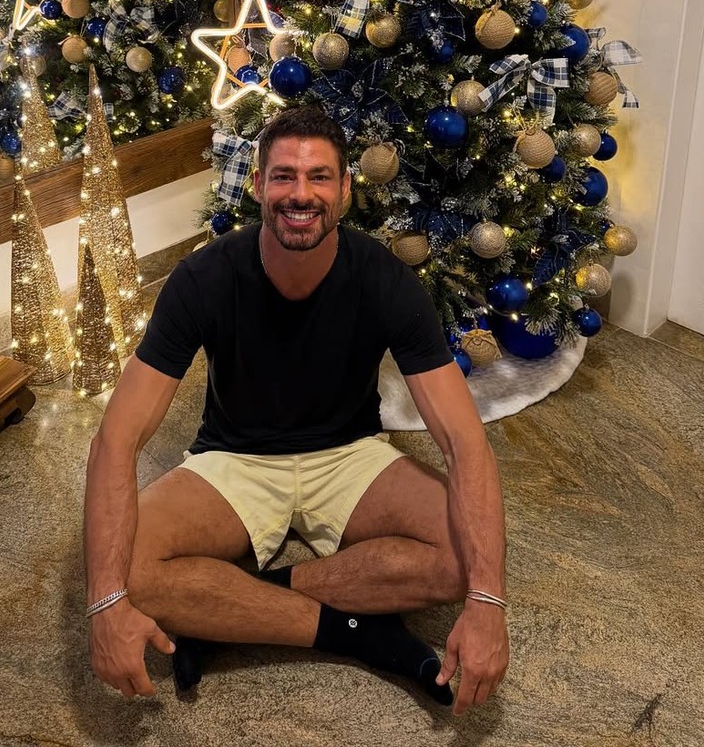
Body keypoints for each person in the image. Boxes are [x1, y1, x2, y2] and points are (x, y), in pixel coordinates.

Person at [84, 106, 510, 718]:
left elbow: (466, 444)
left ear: (344, 189)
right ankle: (359, 632)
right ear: (257, 184)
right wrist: (104, 604)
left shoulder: (386, 280)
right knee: (126, 569)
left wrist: (490, 603)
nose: (300, 194)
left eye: (318, 177)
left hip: (350, 455)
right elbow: (115, 441)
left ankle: (229, 613)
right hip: (234, 458)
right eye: (283, 176)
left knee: (467, 556)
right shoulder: (203, 278)